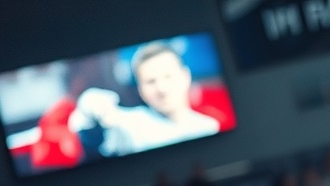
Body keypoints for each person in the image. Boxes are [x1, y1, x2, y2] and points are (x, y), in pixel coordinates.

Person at [73, 41, 220, 156]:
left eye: (168, 76)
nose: (161, 88)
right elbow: (89, 121)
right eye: (151, 81)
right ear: (140, 90)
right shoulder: (131, 125)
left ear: (185, 76)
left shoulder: (209, 127)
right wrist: (91, 104)